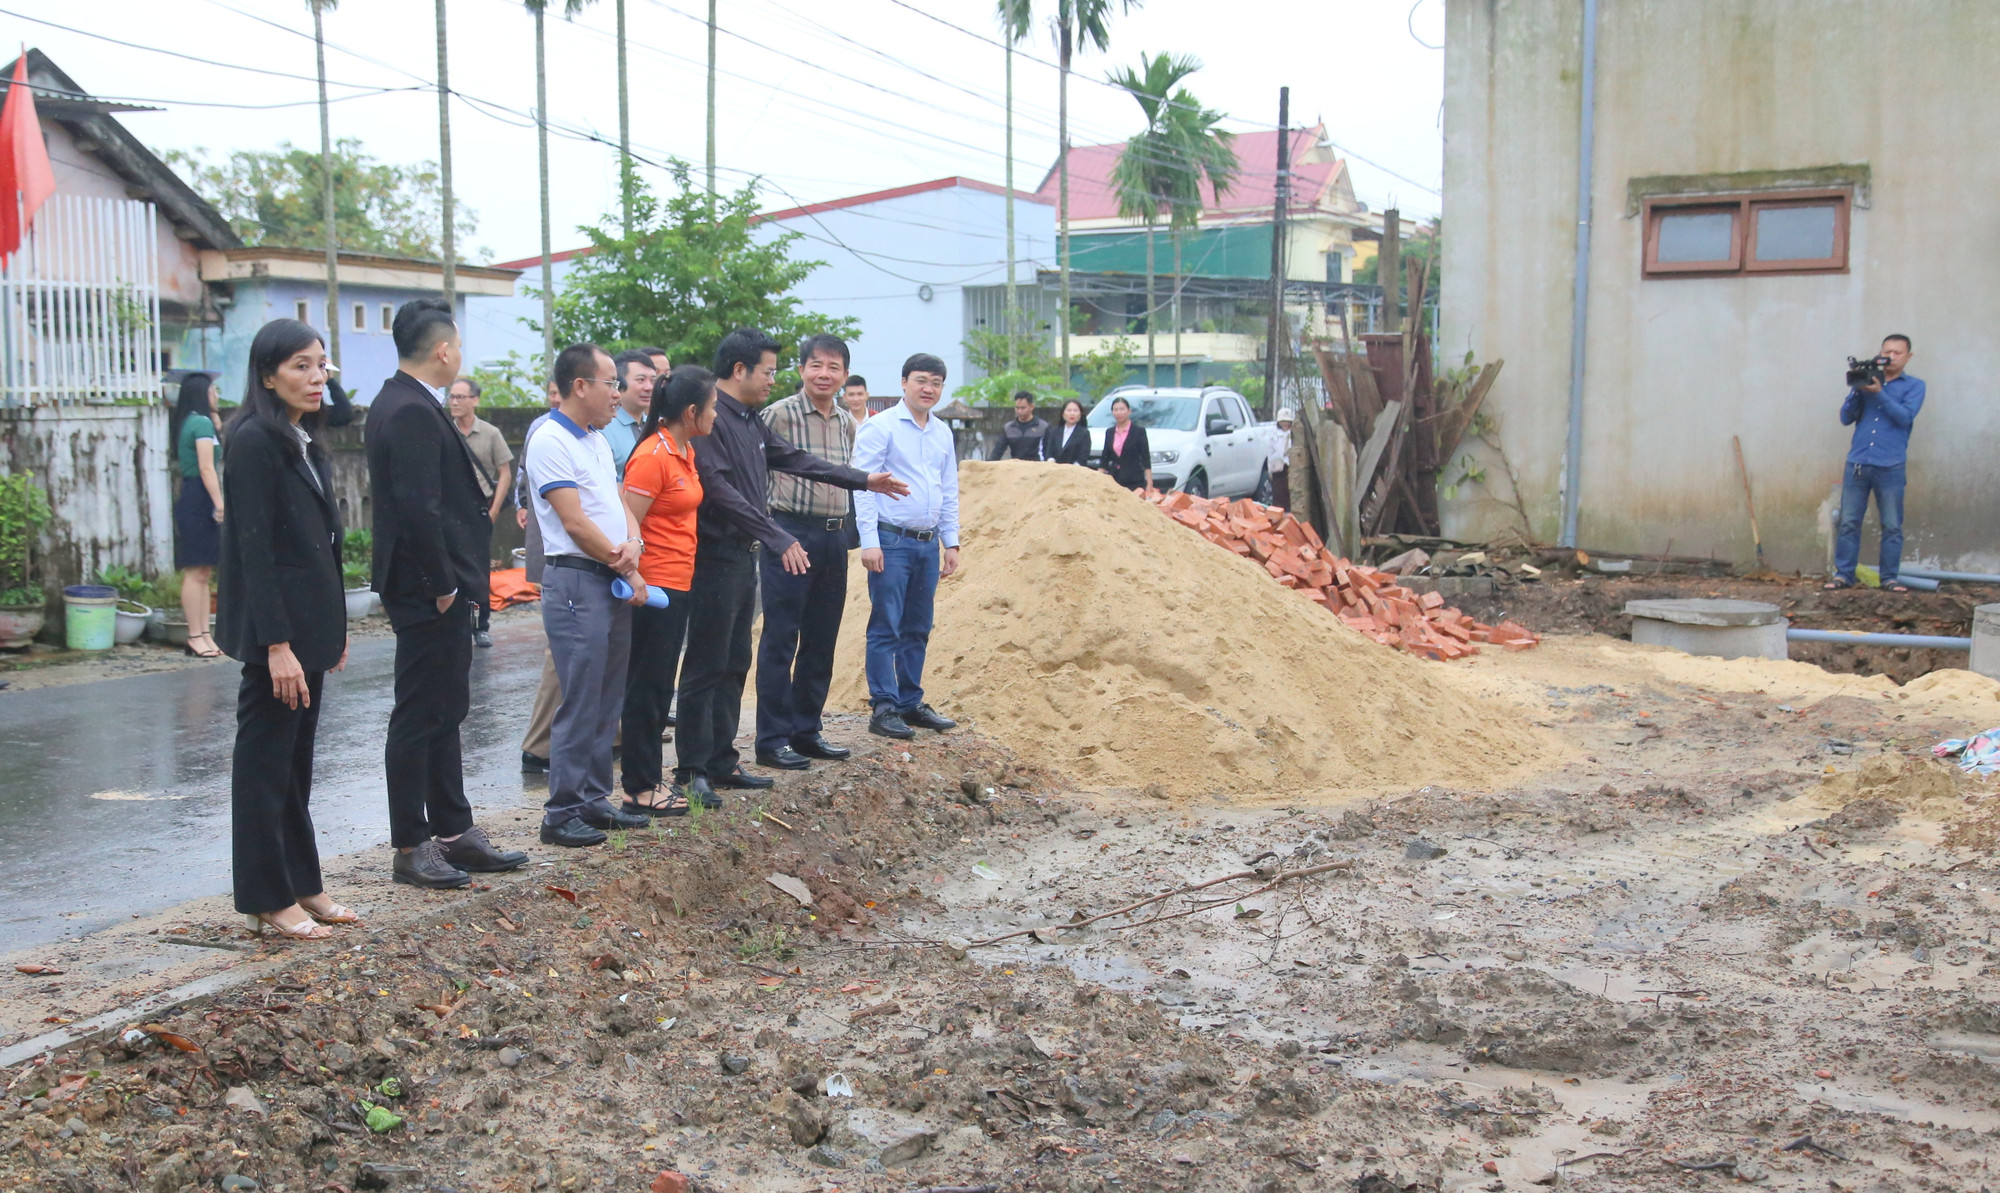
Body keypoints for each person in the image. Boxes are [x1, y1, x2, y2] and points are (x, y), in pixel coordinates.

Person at [674, 327, 907, 808]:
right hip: (718, 554)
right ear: (740, 371)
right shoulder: (712, 420)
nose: (770, 380)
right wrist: (778, 535)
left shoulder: (745, 419)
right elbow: (720, 490)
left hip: (749, 550)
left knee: (738, 658)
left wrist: (863, 480)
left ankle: (722, 760)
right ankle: (694, 768)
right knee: (709, 663)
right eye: (768, 371)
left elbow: (797, 459)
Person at [364, 298, 527, 888]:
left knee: (446, 708)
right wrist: (439, 586)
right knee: (420, 712)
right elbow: (416, 509)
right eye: (457, 344)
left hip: (444, 585)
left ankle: (454, 830)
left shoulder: (411, 403)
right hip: (426, 588)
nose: (460, 354)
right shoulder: (406, 409)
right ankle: (411, 842)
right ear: (442, 350)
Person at [213, 319, 352, 941]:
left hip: (309, 629)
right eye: (300, 365)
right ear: (267, 375)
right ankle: (267, 896)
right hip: (277, 636)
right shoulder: (251, 441)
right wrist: (276, 646)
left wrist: (331, 629)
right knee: (265, 765)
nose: (317, 377)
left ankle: (303, 882)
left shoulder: (301, 435)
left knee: (296, 765)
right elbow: (255, 552)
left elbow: (318, 544)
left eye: (322, 364)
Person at [522, 343, 653, 846]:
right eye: (611, 384)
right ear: (581, 386)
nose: (617, 395)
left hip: (609, 575)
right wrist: (623, 560)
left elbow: (618, 500)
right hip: (577, 577)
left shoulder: (596, 440)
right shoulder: (550, 438)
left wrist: (634, 543)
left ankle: (594, 799)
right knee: (579, 697)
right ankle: (561, 811)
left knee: (606, 693)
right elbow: (572, 520)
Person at [755, 335, 863, 772]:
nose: (824, 374)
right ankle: (772, 739)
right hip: (790, 534)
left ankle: (807, 729)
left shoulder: (846, 422)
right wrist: (771, 532)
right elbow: (753, 473)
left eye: (834, 367)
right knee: (781, 637)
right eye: (816, 365)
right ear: (801, 370)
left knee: (822, 637)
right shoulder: (776, 414)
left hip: (834, 536)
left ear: (844, 375)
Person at [618, 366, 715, 813]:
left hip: (680, 580)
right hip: (654, 585)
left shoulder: (684, 450)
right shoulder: (654, 455)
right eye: (712, 406)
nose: (716, 413)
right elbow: (627, 515)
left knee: (660, 685)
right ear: (692, 411)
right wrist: (635, 574)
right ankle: (640, 786)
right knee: (648, 685)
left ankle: (649, 780)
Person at [853, 353, 961, 741]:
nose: (928, 388)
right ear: (903, 383)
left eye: (936, 382)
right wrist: (869, 541)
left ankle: (910, 701)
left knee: (918, 625)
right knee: (887, 624)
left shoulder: (942, 432)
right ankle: (883, 705)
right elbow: (863, 488)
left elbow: (948, 488)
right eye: (921, 380)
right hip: (891, 540)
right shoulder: (880, 428)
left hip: (927, 543)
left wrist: (952, 541)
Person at [1830, 335, 1925, 592]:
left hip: (1890, 465)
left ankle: (1889, 579)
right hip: (1858, 463)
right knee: (1849, 522)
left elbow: (1904, 417)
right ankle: (1843, 576)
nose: (1891, 357)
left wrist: (1880, 394)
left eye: (1897, 352)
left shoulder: (1914, 386)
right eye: (1887, 351)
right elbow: (1845, 418)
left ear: (1908, 357)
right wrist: (1857, 390)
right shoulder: (1868, 380)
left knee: (1892, 525)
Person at [449, 376, 513, 648]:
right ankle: (455, 624)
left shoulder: (490, 433)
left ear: (474, 400)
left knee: (477, 571)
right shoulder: (444, 430)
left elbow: (505, 472)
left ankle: (480, 625)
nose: (454, 402)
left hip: (481, 510)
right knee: (450, 568)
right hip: (450, 509)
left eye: (460, 397)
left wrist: (495, 509)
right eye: (451, 397)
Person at [171, 372, 226, 658]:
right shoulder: (200, 422)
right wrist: (219, 503)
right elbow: (207, 468)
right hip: (198, 497)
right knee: (195, 571)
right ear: (201, 393)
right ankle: (194, 634)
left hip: (194, 495)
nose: (216, 394)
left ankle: (205, 633)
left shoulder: (196, 421)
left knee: (204, 571)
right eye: (212, 390)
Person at [601, 349, 658, 475]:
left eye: (653, 381)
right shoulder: (603, 429)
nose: (649, 387)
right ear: (619, 384)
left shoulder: (659, 426)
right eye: (641, 380)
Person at [1099, 395, 1153, 491]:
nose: (1119, 413)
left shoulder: (1138, 431)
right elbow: (1105, 459)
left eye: (1122, 409)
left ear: (1129, 411)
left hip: (1134, 480)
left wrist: (1149, 482)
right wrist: (1097, 478)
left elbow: (1145, 458)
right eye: (1115, 410)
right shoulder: (1110, 432)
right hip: (1115, 479)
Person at [988, 390, 1049, 461]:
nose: (1019, 411)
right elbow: (997, 451)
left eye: (1023, 408)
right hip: (1016, 468)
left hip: (1037, 467)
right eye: (1017, 408)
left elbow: (1048, 452)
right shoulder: (1008, 428)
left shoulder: (1043, 427)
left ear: (1031, 407)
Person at [1041, 398, 1091, 464]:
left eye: (1075, 411)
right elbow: (1049, 452)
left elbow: (1083, 457)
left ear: (1080, 414)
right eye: (1069, 410)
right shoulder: (1055, 431)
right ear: (1063, 414)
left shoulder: (1084, 433)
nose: (1072, 413)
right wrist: (1051, 461)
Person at [1268, 407, 1296, 509]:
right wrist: (1270, 469)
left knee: (1289, 491)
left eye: (1287, 422)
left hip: (1290, 466)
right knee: (1278, 491)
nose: (1285, 424)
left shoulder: (1294, 434)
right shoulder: (1274, 435)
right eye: (1282, 422)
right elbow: (1270, 452)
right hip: (1278, 467)